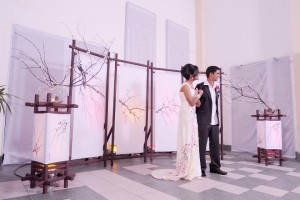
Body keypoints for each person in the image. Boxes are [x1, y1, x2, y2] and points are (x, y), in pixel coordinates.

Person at [151, 63, 203, 181]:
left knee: (193, 140)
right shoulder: (185, 86)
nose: (198, 74)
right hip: (186, 115)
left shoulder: (192, 87)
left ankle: (192, 170)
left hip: (192, 115)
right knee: (186, 139)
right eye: (196, 72)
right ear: (191, 74)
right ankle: (185, 169)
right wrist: (199, 95)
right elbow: (191, 102)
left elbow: (197, 104)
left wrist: (197, 95)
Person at [195, 66, 227, 177]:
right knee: (202, 146)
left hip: (215, 121)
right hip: (203, 121)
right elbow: (196, 103)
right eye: (217, 73)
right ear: (210, 74)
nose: (219, 75)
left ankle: (215, 167)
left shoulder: (216, 87)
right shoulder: (200, 86)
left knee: (215, 146)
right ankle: (201, 168)